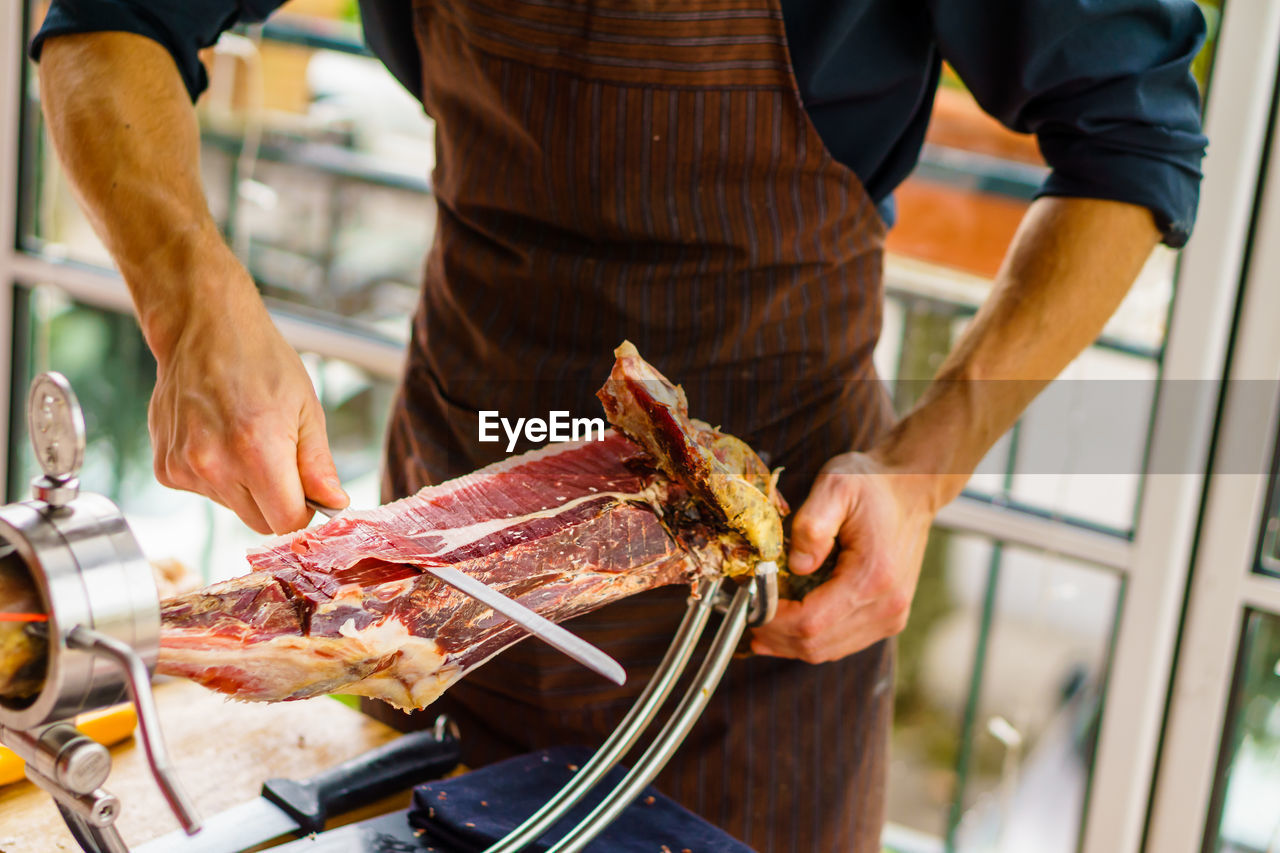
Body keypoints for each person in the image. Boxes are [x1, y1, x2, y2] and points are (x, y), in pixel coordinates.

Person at [30, 0, 1207, 848]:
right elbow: (109, 21)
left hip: (767, 587)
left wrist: (925, 464)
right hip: (457, 516)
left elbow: (1128, 134)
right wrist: (191, 300)